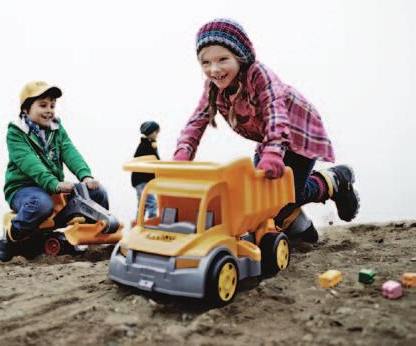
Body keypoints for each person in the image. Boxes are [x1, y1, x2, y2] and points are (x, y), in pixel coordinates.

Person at [173, 18, 359, 242]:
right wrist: (183, 152)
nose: (214, 69)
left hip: (297, 132)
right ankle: (303, 231)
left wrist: (272, 153)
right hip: (270, 139)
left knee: (287, 192)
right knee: (261, 195)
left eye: (223, 59)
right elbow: (198, 120)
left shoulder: (259, 76)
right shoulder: (213, 88)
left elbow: (275, 114)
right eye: (205, 62)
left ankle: (334, 180)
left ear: (240, 57)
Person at [0, 81, 109, 262]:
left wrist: (85, 176)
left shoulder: (56, 129)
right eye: (43, 105)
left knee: (96, 193)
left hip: (53, 188)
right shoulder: (16, 133)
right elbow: (30, 163)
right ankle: (10, 237)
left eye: (52, 106)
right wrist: (54, 184)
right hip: (25, 188)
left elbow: (70, 152)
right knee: (41, 203)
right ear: (25, 110)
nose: (49, 110)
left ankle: (93, 235)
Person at [131, 121, 160, 221]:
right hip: (141, 180)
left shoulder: (148, 144)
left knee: (142, 203)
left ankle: (138, 223)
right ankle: (153, 222)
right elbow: (155, 160)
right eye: (156, 132)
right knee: (151, 203)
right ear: (151, 132)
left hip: (142, 180)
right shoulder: (145, 145)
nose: (157, 134)